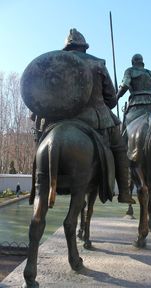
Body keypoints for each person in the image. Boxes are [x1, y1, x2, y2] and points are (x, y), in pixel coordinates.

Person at [31, 28, 134, 204]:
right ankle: (124, 192)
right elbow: (111, 99)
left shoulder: (57, 63)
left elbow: (45, 93)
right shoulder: (98, 63)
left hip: (59, 118)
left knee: (41, 139)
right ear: (84, 47)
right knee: (118, 147)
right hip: (94, 118)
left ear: (66, 48)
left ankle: (38, 183)